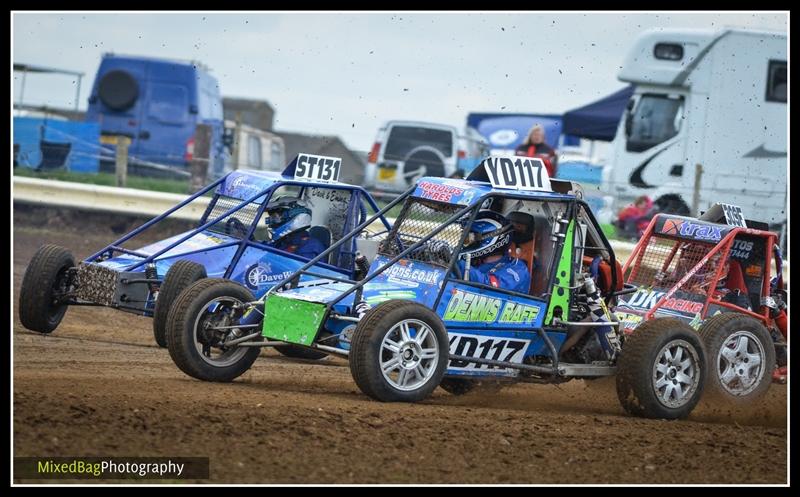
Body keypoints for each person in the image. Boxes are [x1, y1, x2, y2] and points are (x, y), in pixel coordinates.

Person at [455, 211, 531, 293]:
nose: (463, 243)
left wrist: (455, 262)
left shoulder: (517, 268)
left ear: (489, 240)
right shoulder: (474, 262)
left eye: (468, 239)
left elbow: (489, 286)